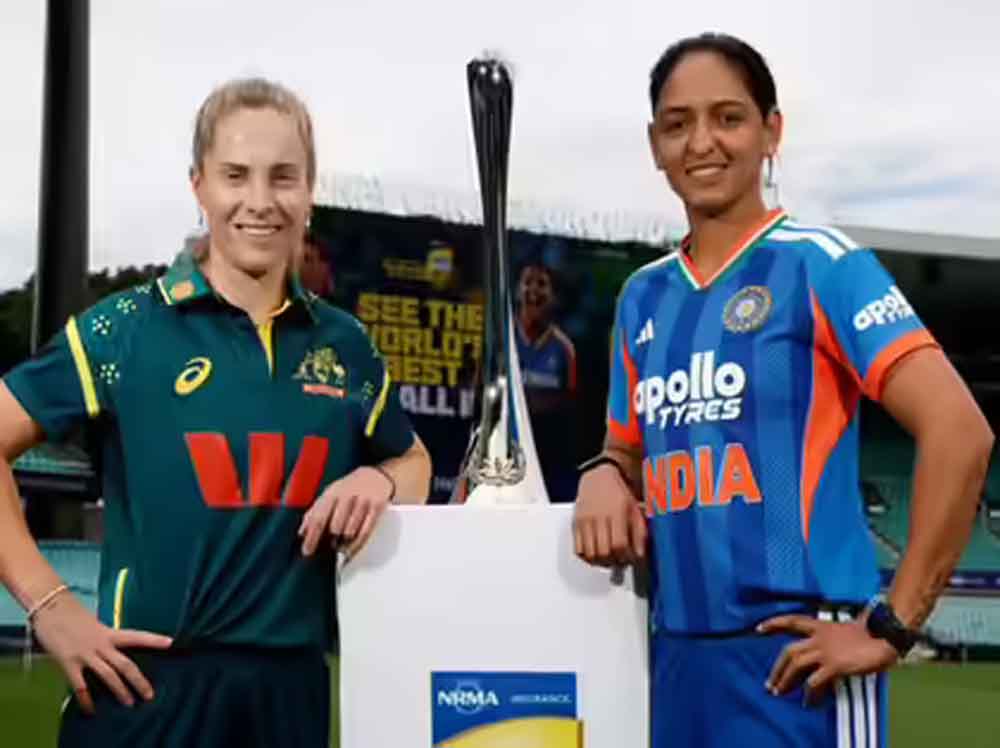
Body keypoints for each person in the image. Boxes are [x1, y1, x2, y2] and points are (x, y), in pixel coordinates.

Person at [572, 33, 994, 747]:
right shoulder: (643, 298)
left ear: (772, 132)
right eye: (677, 124)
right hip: (675, 660)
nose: (701, 142)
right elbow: (627, 451)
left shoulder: (823, 266)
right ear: (654, 145)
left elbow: (960, 431)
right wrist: (603, 473)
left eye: (728, 117)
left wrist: (892, 625)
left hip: (800, 662)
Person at [0, 77, 431, 747]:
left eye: (282, 176)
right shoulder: (125, 330)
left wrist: (377, 479)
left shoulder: (345, 345)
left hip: (291, 696)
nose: (260, 201)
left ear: (310, 192)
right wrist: (50, 607)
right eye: (235, 175)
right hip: (146, 692)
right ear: (199, 187)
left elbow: (414, 462)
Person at [513, 261, 579, 501]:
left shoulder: (564, 348)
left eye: (541, 284)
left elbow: (571, 409)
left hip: (550, 458)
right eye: (527, 282)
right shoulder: (503, 340)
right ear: (517, 290)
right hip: (508, 453)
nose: (533, 290)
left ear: (553, 296)